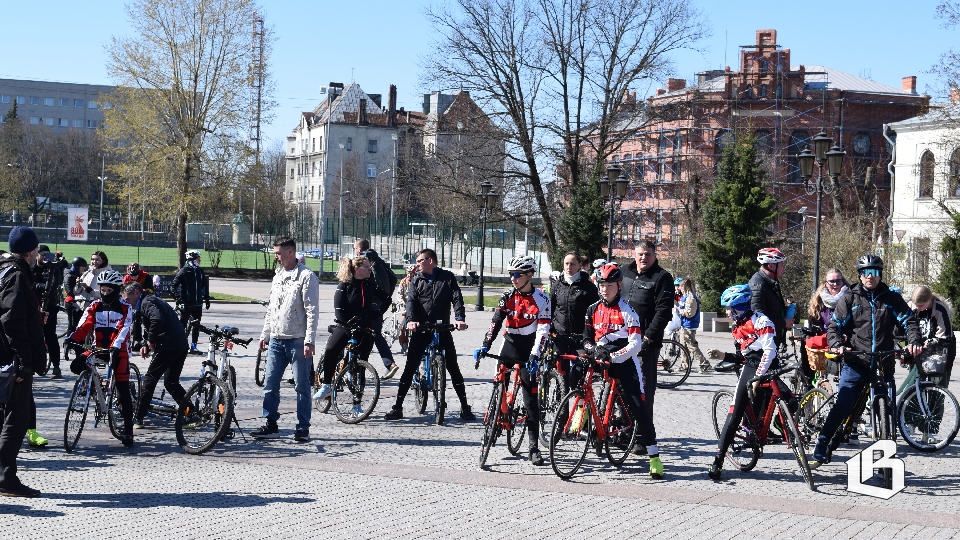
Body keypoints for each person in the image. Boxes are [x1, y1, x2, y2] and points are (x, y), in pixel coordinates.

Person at [812, 254, 922, 467]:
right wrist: (836, 343)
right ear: (860, 275)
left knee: (886, 410)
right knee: (844, 404)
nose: (870, 276)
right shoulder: (850, 298)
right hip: (856, 361)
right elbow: (834, 326)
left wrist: (914, 341)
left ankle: (885, 458)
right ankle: (823, 442)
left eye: (874, 272)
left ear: (880, 274)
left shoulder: (891, 299)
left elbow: (909, 320)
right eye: (865, 272)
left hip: (883, 362)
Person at [581, 264, 664, 478]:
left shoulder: (628, 310)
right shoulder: (592, 310)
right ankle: (582, 420)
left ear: (619, 286)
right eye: (601, 285)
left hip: (625, 360)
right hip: (602, 356)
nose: (605, 289)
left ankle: (654, 456)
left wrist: (614, 357)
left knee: (639, 406)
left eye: (609, 285)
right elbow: (586, 339)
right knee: (577, 377)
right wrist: (595, 351)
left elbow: (635, 344)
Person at [472, 255, 550, 465]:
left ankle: (533, 447)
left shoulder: (542, 300)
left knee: (530, 399)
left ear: (530, 275)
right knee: (499, 384)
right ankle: (497, 416)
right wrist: (484, 346)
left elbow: (543, 332)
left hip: (529, 349)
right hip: (509, 345)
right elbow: (496, 323)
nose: (513, 279)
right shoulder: (507, 296)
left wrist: (535, 355)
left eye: (517, 275)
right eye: (511, 275)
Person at [384, 249, 471, 422]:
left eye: (419, 260)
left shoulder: (447, 277)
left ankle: (465, 407)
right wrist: (411, 320)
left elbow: (457, 298)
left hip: (442, 328)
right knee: (410, 368)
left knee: (453, 368)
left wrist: (459, 318)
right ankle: (397, 407)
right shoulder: (417, 280)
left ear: (430, 260)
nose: (416, 264)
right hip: (421, 328)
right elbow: (411, 302)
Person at [707, 284, 779, 480]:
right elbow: (742, 357)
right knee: (736, 410)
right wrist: (724, 355)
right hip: (751, 365)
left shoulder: (762, 321)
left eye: (730, 309)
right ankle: (718, 460)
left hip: (768, 362)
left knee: (791, 401)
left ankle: (787, 432)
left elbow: (769, 351)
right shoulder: (737, 328)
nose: (727, 313)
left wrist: (759, 376)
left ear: (740, 306)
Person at [253, 237, 319, 442]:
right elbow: (271, 310)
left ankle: (302, 427)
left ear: (290, 252)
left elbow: (312, 311)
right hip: (276, 339)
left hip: (297, 340)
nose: (276, 257)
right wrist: (265, 335)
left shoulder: (306, 277)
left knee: (301, 386)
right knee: (270, 383)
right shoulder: (278, 276)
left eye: (278, 254)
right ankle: (270, 423)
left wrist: (309, 340)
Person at [65, 269, 136, 448]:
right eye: (102, 290)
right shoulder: (95, 306)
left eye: (108, 291)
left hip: (118, 352)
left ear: (117, 290)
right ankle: (91, 387)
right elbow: (85, 324)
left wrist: (116, 345)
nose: (104, 294)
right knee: (77, 364)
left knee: (123, 389)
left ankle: (128, 431)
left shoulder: (125, 308)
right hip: (98, 349)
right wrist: (73, 339)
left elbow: (124, 329)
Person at [0, 227, 45, 497]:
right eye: (36, 249)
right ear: (29, 252)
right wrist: (23, 361)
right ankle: (5, 478)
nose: (38, 253)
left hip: (3, 356)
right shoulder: (15, 275)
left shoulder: (3, 271)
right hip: (11, 360)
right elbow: (12, 320)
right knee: (16, 420)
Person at [313, 255, 386, 410]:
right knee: (331, 350)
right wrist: (346, 325)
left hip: (365, 328)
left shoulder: (370, 285)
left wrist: (375, 314)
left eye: (369, 266)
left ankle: (357, 405)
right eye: (366, 266)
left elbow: (386, 299)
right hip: (345, 326)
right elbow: (338, 310)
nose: (369, 269)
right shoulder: (344, 285)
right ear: (356, 268)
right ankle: (326, 385)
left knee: (361, 367)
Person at [621, 240, 674, 419]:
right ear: (634, 255)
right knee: (619, 388)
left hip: (646, 344)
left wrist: (648, 338)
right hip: (621, 339)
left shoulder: (662, 277)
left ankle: (642, 439)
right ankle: (624, 430)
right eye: (640, 254)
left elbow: (664, 312)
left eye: (648, 254)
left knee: (642, 391)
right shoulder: (623, 272)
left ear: (654, 256)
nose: (644, 257)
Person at [125, 282, 189, 429]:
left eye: (128, 299)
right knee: (171, 382)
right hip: (180, 343)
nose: (128, 303)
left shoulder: (146, 302)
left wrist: (151, 341)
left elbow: (157, 319)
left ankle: (138, 418)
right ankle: (190, 412)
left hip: (168, 345)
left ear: (136, 292)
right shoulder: (150, 299)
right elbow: (152, 324)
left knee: (150, 380)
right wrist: (146, 343)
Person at [549, 251, 599, 390]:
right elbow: (549, 308)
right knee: (561, 377)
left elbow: (596, 312)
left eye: (572, 264)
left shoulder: (588, 286)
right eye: (566, 264)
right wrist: (550, 327)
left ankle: (581, 405)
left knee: (578, 374)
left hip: (580, 338)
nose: (569, 267)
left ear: (579, 266)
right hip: (560, 336)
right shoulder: (557, 285)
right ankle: (561, 408)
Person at [354, 238, 399, 379]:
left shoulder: (362, 260)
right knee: (376, 334)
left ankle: (358, 371)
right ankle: (389, 364)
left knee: (360, 335)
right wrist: (385, 296)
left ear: (359, 249)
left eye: (355, 249)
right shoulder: (378, 260)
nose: (355, 252)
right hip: (379, 302)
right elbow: (393, 278)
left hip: (367, 302)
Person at [899, 285, 954, 391]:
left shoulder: (940, 309)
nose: (917, 308)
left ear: (930, 300)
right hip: (917, 355)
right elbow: (901, 329)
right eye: (915, 304)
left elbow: (945, 337)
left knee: (936, 392)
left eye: (920, 305)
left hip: (939, 356)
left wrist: (928, 342)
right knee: (914, 391)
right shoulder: (910, 306)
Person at [171, 250, 210, 354]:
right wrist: (177, 298)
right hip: (186, 303)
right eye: (198, 258)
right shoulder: (184, 271)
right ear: (192, 259)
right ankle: (179, 345)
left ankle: (194, 346)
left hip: (198, 303)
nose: (200, 260)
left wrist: (206, 298)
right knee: (182, 325)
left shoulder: (200, 271)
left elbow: (204, 286)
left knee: (196, 325)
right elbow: (173, 286)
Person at [34, 245, 63, 380]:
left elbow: (54, 286)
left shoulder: (53, 269)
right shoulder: (31, 268)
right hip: (33, 306)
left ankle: (56, 367)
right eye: (42, 254)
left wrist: (46, 281)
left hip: (50, 306)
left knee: (50, 336)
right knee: (33, 335)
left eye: (47, 255)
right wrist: (40, 285)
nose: (45, 258)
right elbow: (28, 284)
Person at [749, 247, 787, 347]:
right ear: (771, 266)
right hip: (763, 344)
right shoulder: (758, 285)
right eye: (781, 265)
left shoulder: (770, 282)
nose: (783, 268)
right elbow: (758, 318)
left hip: (772, 339)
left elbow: (771, 308)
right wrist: (783, 322)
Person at [676, 278, 711, 373]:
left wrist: (679, 311)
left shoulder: (690, 298)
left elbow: (690, 313)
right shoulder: (684, 297)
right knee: (683, 345)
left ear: (684, 286)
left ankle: (704, 364)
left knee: (691, 346)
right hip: (684, 325)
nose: (679, 288)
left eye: (680, 286)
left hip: (689, 325)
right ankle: (685, 365)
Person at [395, 264, 417, 357]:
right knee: (402, 327)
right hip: (405, 306)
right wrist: (401, 301)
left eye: (411, 273)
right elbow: (399, 294)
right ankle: (404, 344)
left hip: (416, 307)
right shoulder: (403, 282)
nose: (409, 275)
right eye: (408, 273)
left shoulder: (418, 281)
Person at [63, 256, 88, 333]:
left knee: (78, 325)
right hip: (71, 303)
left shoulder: (77, 275)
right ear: (77, 267)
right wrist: (79, 286)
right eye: (82, 267)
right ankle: (69, 343)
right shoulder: (69, 276)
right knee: (72, 326)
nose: (83, 270)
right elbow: (70, 291)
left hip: (78, 302)